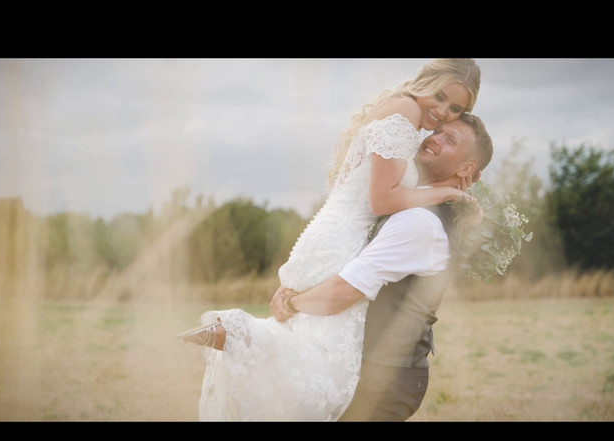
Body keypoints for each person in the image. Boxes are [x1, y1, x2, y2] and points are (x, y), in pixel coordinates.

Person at [179, 59, 482, 421]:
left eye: (456, 108)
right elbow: (382, 200)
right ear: (425, 82)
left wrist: (450, 192)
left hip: (327, 237)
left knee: (312, 343)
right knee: (331, 368)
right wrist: (445, 193)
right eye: (440, 96)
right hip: (340, 243)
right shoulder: (404, 113)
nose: (442, 111)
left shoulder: (405, 114)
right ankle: (239, 333)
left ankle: (241, 337)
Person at [271, 114, 493, 421]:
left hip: (385, 380)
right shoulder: (415, 208)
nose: (434, 138)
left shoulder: (420, 222)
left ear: (467, 169)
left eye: (450, 140)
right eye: (438, 131)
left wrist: (290, 303)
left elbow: (345, 291)